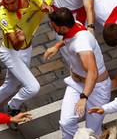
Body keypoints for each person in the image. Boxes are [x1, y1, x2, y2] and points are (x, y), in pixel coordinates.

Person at [0, 0, 51, 124]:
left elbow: (41, 4)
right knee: (33, 87)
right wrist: (20, 39)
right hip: (11, 52)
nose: (8, 7)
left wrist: (45, 7)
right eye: (5, 3)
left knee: (10, 85)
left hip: (26, 50)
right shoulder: (2, 15)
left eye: (12, 3)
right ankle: (12, 106)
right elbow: (15, 46)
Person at [44, 8, 111, 138]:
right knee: (66, 123)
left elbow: (92, 73)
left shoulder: (82, 44)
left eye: (53, 26)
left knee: (91, 132)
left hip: (97, 88)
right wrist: (57, 46)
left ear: (63, 28)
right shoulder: (75, 24)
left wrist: (84, 97)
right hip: (76, 83)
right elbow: (69, 38)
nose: (51, 27)